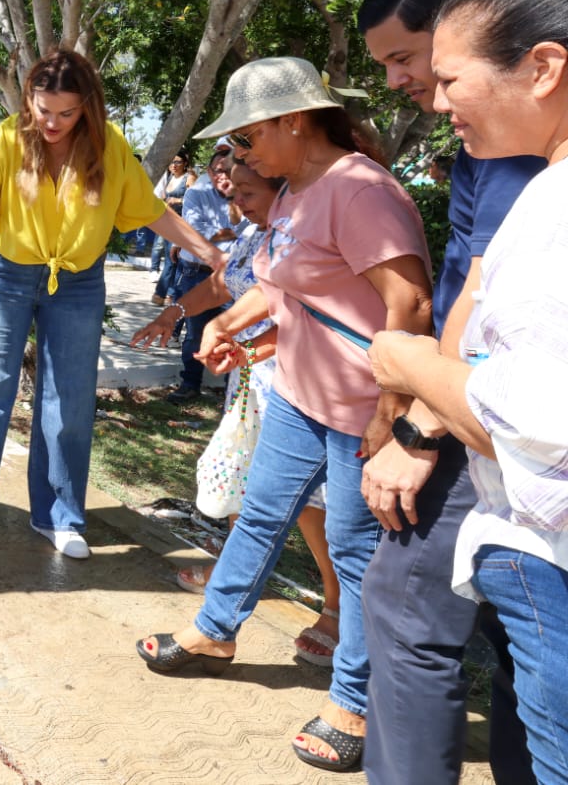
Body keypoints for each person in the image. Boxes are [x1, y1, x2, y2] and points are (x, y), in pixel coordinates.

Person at [133, 56, 433, 773]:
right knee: (262, 513)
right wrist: (234, 329)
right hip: (300, 398)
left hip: (361, 408)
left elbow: (410, 305)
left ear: (294, 121)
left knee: (357, 559)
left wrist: (391, 411)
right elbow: (289, 290)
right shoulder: (298, 190)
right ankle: (215, 631)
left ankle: (354, 702)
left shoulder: (359, 191)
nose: (240, 153)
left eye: (248, 134)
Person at [368, 0, 568, 785]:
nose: (432, 96)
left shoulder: (538, 185)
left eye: (433, 69)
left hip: (535, 531)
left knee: (408, 612)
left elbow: (531, 409)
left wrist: (413, 396)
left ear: (543, 66)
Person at [0, 48, 224, 559]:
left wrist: (213, 255)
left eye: (67, 112)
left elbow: (150, 211)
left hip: (78, 279)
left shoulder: (109, 146)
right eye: (43, 110)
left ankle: (60, 515)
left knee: (70, 399)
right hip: (5, 271)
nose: (53, 122)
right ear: (29, 101)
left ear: (87, 106)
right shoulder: (8, 138)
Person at [132, 161, 340, 665]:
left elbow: (297, 311)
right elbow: (226, 284)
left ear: (284, 192)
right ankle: (229, 582)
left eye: (248, 190)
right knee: (246, 484)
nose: (236, 199)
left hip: (297, 386)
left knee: (313, 503)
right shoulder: (255, 234)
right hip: (249, 379)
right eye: (235, 190)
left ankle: (336, 609)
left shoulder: (308, 237)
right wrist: (174, 312)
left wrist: (242, 342)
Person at [164, 144, 240, 403]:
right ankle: (190, 384)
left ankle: (232, 392)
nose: (224, 175)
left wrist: (220, 237)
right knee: (195, 331)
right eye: (218, 170)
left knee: (234, 330)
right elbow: (195, 230)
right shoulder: (196, 191)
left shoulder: (249, 190)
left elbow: (253, 233)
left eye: (230, 170)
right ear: (209, 170)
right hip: (196, 272)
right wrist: (231, 237)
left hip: (231, 275)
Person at [149, 151, 194, 305]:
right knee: (168, 256)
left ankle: (162, 293)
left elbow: (193, 200)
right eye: (172, 162)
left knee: (172, 258)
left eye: (178, 162)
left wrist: (178, 200)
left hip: (180, 223)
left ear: (185, 163)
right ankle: (170, 293)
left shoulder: (189, 178)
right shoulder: (168, 178)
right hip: (165, 221)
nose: (174, 165)